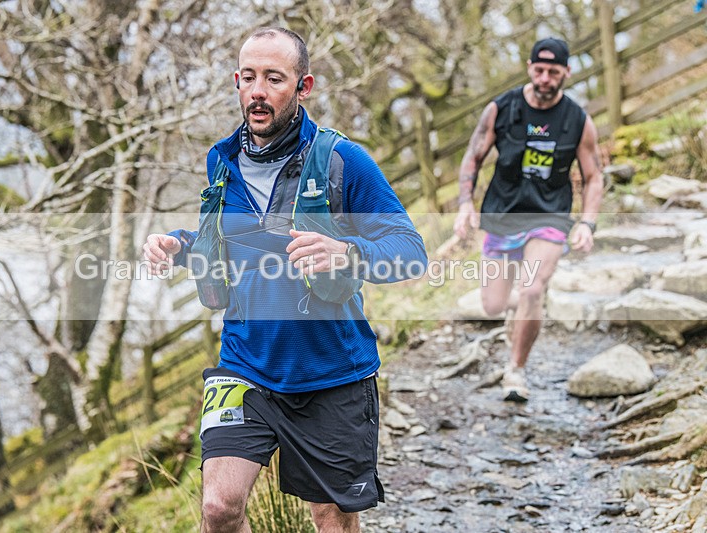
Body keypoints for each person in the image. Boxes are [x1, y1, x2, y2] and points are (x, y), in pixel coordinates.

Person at [143, 27, 427, 532]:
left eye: (274, 78)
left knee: (331, 518)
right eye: (248, 77)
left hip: (331, 371)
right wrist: (179, 245)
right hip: (245, 363)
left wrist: (348, 251)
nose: (258, 90)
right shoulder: (221, 162)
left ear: (304, 86)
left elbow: (411, 253)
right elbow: (230, 237)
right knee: (218, 508)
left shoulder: (343, 161)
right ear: (235, 82)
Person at [453, 37, 603, 402]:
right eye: (539, 69)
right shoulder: (501, 109)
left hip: (549, 215)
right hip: (503, 215)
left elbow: (595, 175)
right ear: (529, 68)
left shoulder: (578, 120)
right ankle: (523, 311)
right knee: (491, 304)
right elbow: (473, 158)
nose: (546, 78)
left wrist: (587, 222)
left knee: (532, 288)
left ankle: (516, 371)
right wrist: (464, 204)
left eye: (554, 71)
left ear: (567, 72)